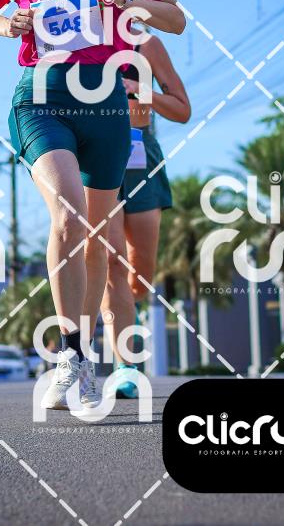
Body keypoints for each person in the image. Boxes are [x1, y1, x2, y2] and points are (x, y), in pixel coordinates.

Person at [0, 0, 184, 411]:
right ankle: (70, 357)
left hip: (105, 100)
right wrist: (5, 23)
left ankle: (87, 356)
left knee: (96, 238)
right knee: (69, 215)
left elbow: (176, 19)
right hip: (41, 95)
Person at [101, 26, 191, 398]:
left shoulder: (146, 44)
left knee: (140, 277)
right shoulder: (77, 44)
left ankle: (129, 312)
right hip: (97, 154)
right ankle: (125, 364)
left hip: (141, 156)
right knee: (111, 262)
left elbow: (182, 110)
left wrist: (140, 90)